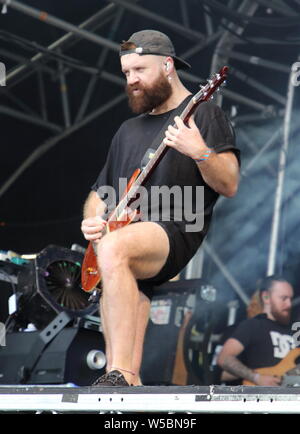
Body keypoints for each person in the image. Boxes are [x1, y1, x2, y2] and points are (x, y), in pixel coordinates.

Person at [81, 29, 240, 387]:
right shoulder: (127, 130)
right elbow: (99, 192)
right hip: (128, 232)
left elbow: (230, 182)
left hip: (176, 228)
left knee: (115, 248)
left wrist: (198, 150)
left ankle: (116, 371)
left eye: (139, 70)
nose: (131, 81)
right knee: (112, 252)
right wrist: (93, 220)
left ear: (167, 66)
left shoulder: (204, 113)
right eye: (126, 74)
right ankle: (128, 382)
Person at [217, 275, 295, 386]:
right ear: (266, 297)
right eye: (284, 298)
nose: (289, 304)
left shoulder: (294, 330)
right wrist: (256, 378)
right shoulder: (253, 325)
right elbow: (224, 358)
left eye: (290, 299)